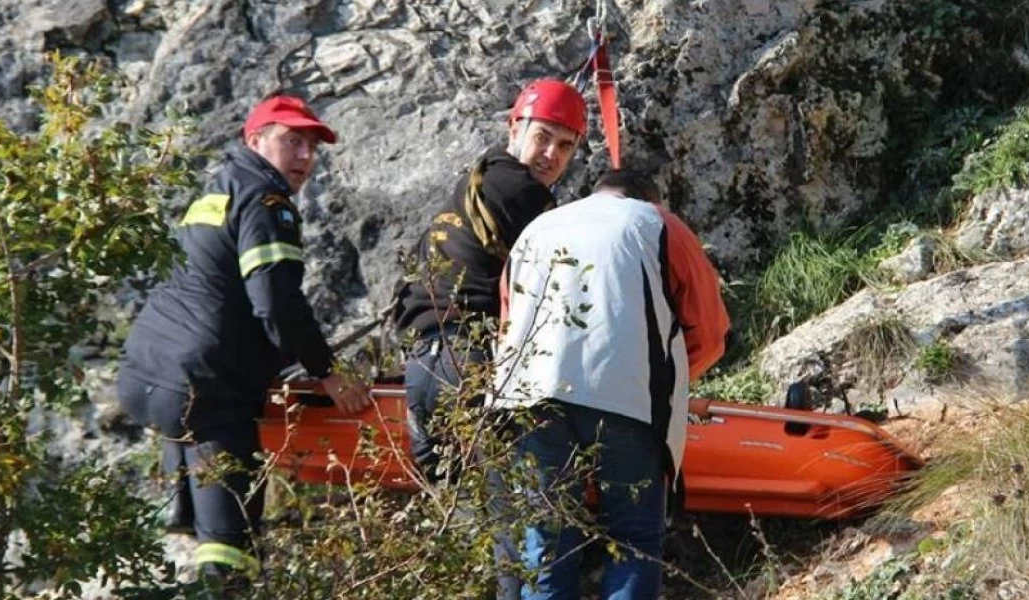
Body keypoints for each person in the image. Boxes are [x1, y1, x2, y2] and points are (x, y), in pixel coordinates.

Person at [115, 91, 370, 589]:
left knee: (207, 533)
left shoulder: (217, 189)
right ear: (255, 140)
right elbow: (275, 304)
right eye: (291, 141)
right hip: (204, 389)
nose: (304, 157)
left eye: (312, 147)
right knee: (233, 555)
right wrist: (328, 374)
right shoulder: (266, 200)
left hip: (147, 375)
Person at [492, 169, 730, 599]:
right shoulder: (656, 222)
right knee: (633, 542)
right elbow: (711, 334)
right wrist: (670, 384)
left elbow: (507, 324)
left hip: (529, 398)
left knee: (547, 544)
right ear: (649, 199)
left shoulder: (536, 229)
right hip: (627, 402)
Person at [391, 78, 588, 483]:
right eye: (543, 137)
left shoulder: (476, 182)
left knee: (459, 515)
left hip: (422, 368)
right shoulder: (522, 193)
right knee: (509, 519)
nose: (551, 155)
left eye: (565, 146)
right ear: (514, 129)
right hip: (467, 364)